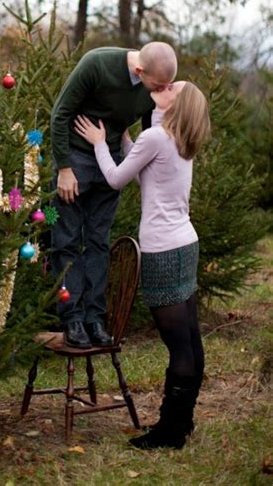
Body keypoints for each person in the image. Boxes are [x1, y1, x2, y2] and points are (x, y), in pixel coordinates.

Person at [74, 80, 210, 450]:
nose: (165, 85)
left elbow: (118, 178)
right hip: (185, 243)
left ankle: (169, 432)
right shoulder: (178, 138)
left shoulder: (157, 137)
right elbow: (148, 168)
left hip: (163, 251)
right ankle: (182, 423)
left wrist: (101, 144)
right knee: (190, 341)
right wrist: (124, 139)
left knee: (178, 346)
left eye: (172, 87)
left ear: (175, 104)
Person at [50, 42, 177, 349]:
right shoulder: (96, 64)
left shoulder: (153, 87)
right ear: (139, 71)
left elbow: (151, 131)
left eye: (166, 86)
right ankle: (72, 319)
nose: (161, 93)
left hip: (111, 162)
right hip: (76, 160)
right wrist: (64, 169)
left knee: (98, 241)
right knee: (66, 241)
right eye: (157, 86)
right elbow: (60, 114)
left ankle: (94, 317)